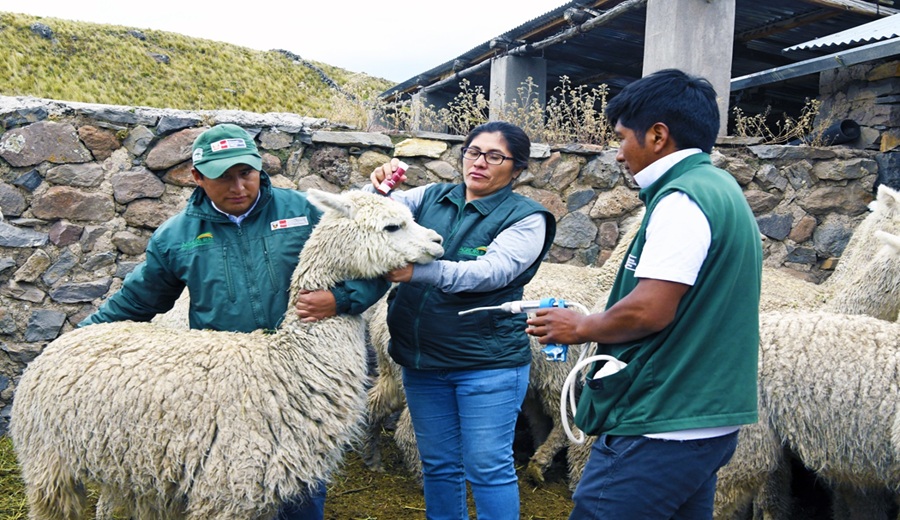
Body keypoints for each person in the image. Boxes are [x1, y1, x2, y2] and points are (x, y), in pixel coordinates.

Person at [80, 123, 389, 520]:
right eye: (222, 177)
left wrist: (342, 298)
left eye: (246, 173)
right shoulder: (177, 237)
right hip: (224, 389)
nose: (238, 186)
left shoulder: (307, 212)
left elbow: (376, 265)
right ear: (196, 177)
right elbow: (136, 301)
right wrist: (73, 347)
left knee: (301, 483)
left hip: (299, 379)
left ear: (260, 168)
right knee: (229, 486)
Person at [526, 69, 763, 519]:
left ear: (657, 135)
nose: (618, 155)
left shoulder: (682, 200)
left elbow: (650, 310)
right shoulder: (720, 189)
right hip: (702, 417)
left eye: (621, 138)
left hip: (663, 418)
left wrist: (580, 326)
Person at [369, 121, 556, 520]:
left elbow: (492, 272)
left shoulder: (527, 217)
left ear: (517, 169)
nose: (480, 162)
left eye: (495, 156)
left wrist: (416, 273)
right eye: (473, 152)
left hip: (486, 366)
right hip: (423, 362)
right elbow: (379, 218)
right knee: (438, 465)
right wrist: (379, 191)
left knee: (487, 467)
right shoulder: (431, 196)